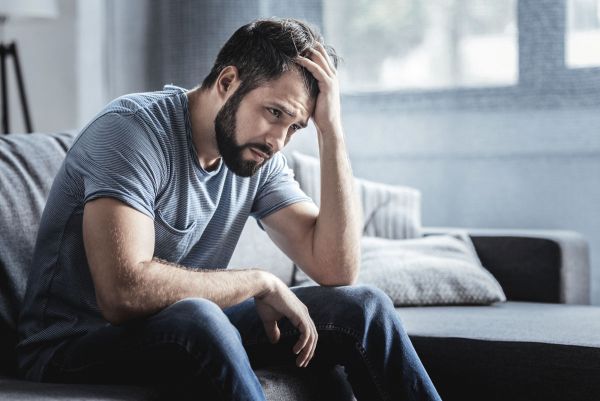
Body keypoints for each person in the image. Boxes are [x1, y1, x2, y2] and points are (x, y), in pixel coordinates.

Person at [16, 18, 442, 401]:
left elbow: (335, 268)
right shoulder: (131, 132)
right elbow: (122, 293)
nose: (279, 139)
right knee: (200, 316)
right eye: (273, 113)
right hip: (71, 346)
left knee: (363, 307)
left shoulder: (260, 155)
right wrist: (257, 281)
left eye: (294, 126)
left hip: (187, 330)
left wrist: (333, 131)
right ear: (227, 81)